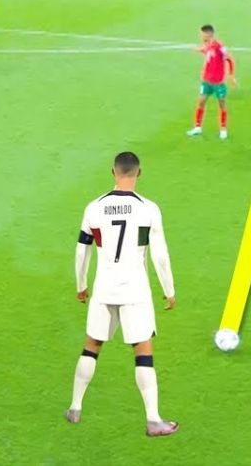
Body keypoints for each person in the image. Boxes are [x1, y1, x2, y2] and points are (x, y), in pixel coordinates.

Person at [67, 151, 178, 437]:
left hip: (104, 289)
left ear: (113, 172)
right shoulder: (148, 209)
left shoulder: (94, 208)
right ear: (138, 173)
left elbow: (81, 250)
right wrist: (169, 290)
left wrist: (81, 285)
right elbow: (160, 255)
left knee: (91, 346)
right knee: (143, 353)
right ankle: (153, 420)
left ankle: (75, 407)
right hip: (134, 291)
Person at [187, 25, 235, 140]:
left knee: (222, 104)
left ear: (208, 34)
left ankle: (223, 129)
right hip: (206, 81)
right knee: (201, 102)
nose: (201, 36)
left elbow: (229, 58)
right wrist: (197, 49)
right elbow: (206, 51)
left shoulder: (219, 46)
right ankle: (197, 127)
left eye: (202, 34)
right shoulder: (208, 45)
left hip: (218, 82)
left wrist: (231, 75)